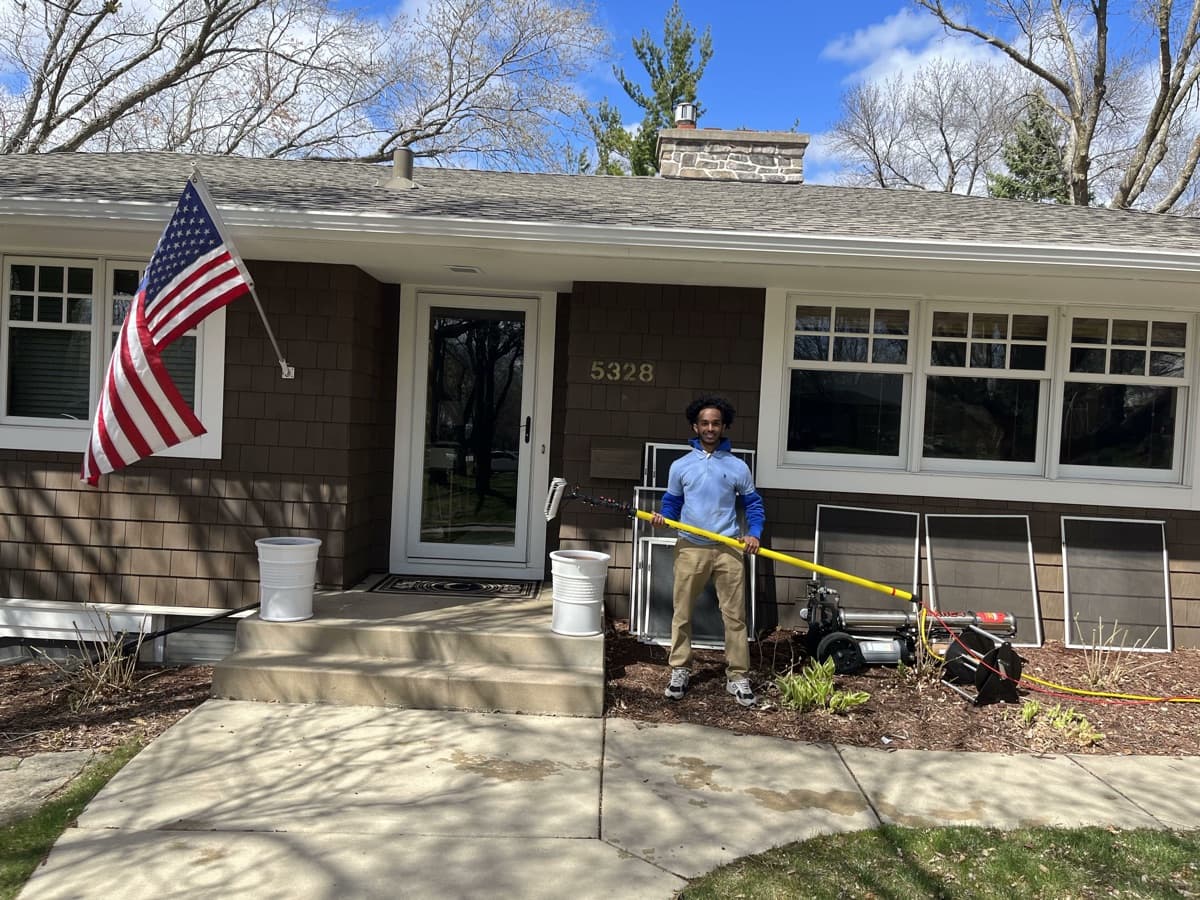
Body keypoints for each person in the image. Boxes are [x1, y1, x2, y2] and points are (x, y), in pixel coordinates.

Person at [651, 396, 765, 707]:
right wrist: (664, 518)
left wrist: (754, 533)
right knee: (682, 613)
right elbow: (671, 504)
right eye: (705, 423)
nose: (710, 428)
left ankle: (738, 675)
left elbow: (754, 505)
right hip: (691, 548)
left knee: (735, 616)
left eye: (716, 423)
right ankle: (679, 670)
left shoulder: (737, 466)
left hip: (728, 548)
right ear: (695, 425)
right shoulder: (681, 466)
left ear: (724, 425)